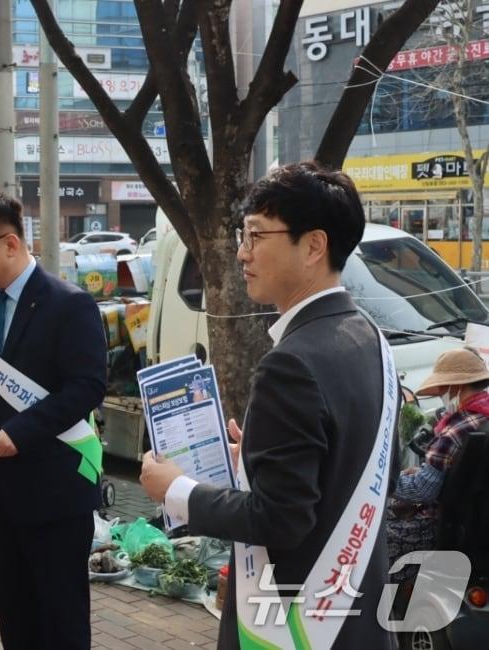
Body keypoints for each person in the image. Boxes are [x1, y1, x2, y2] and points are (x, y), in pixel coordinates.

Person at [139, 163, 395, 649]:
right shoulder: (367, 337)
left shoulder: (292, 363)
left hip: (292, 629)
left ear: (314, 246)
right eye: (243, 234)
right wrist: (255, 460)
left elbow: (280, 519)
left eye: (257, 235)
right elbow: (371, 470)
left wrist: (176, 491)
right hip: (355, 619)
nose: (242, 252)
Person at [0, 191, 108, 650]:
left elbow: (87, 386)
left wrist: (19, 433)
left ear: (10, 244)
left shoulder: (68, 304)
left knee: (61, 620)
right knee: (14, 617)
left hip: (55, 493)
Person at [387, 347, 489, 580]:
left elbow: (422, 489)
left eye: (444, 388)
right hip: (470, 520)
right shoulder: (482, 416)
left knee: (369, 537)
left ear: (457, 387)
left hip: (436, 525)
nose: (442, 393)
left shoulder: (456, 429)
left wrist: (384, 480)